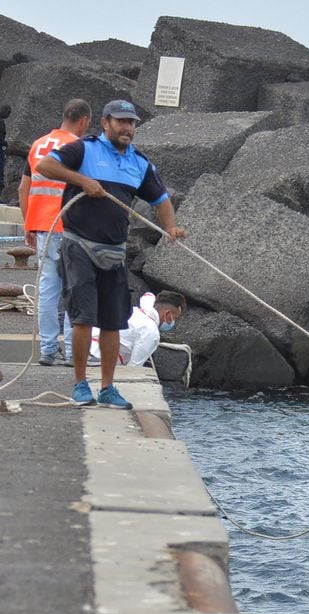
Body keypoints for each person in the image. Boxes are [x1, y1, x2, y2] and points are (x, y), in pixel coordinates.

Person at [35, 99, 186, 410]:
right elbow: (45, 165)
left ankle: (107, 388)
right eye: (120, 121)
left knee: (113, 322)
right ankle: (79, 384)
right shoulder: (85, 149)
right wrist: (82, 180)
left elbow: (160, 197)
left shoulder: (139, 163)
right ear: (105, 123)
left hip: (114, 250)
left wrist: (170, 227)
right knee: (83, 318)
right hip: (79, 244)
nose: (127, 127)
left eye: (131, 122)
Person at [18, 99, 92, 367]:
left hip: (42, 227)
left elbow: (23, 189)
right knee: (75, 289)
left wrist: (29, 224)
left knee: (48, 290)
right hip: (70, 226)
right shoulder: (79, 148)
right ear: (83, 121)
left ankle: (48, 350)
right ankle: (74, 352)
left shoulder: (38, 145)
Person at [88, 290, 185, 366]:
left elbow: (148, 296)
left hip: (86, 344)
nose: (172, 323)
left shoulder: (136, 311)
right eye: (174, 318)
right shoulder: (151, 332)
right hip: (97, 356)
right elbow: (134, 367)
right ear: (167, 313)